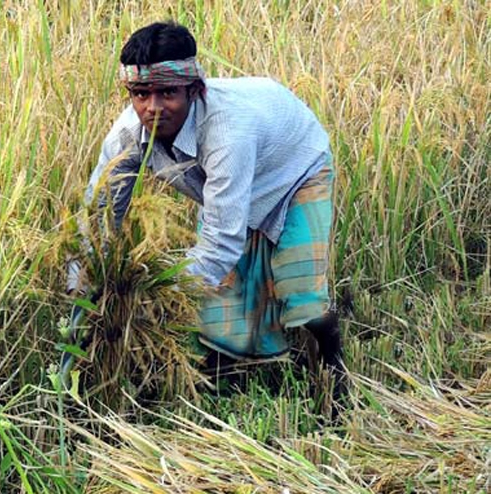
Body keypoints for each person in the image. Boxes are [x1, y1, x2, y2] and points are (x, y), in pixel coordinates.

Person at [67, 21, 344, 387]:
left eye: (168, 93)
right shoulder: (126, 136)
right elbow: (99, 218)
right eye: (141, 94)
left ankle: (333, 373)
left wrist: (159, 295)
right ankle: (228, 383)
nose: (153, 108)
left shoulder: (227, 132)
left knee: (300, 288)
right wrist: (82, 288)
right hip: (232, 188)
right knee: (220, 311)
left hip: (294, 172)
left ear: (194, 90)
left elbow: (220, 244)